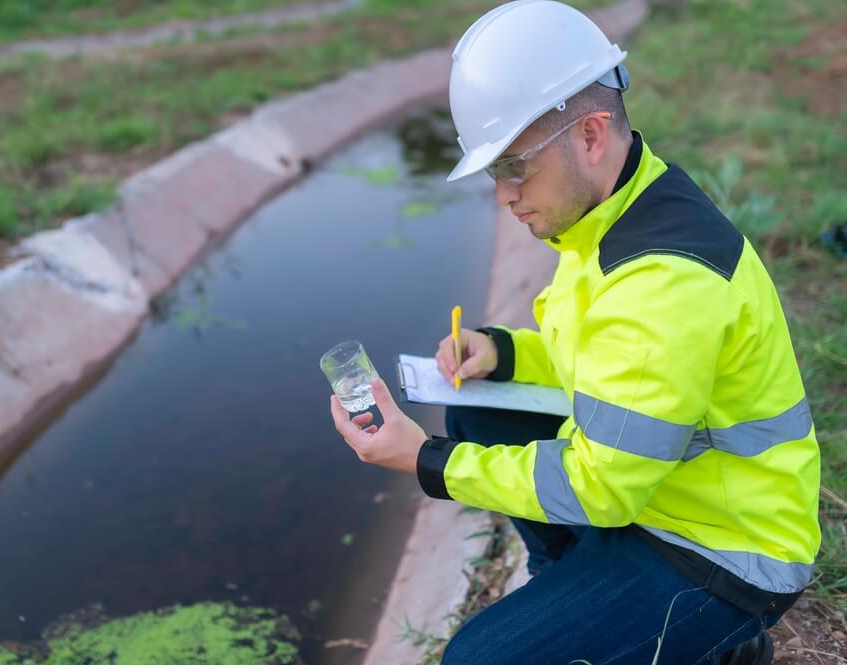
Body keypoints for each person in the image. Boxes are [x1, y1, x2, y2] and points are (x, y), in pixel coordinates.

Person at [328, 2, 821, 664]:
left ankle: (720, 642)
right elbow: (602, 361)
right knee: (475, 406)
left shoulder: (663, 282)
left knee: (475, 660)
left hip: (724, 551)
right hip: (664, 493)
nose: (503, 195)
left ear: (589, 135)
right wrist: (503, 353)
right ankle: (584, 601)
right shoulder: (619, 205)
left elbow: (601, 486)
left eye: (514, 167)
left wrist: (427, 461)